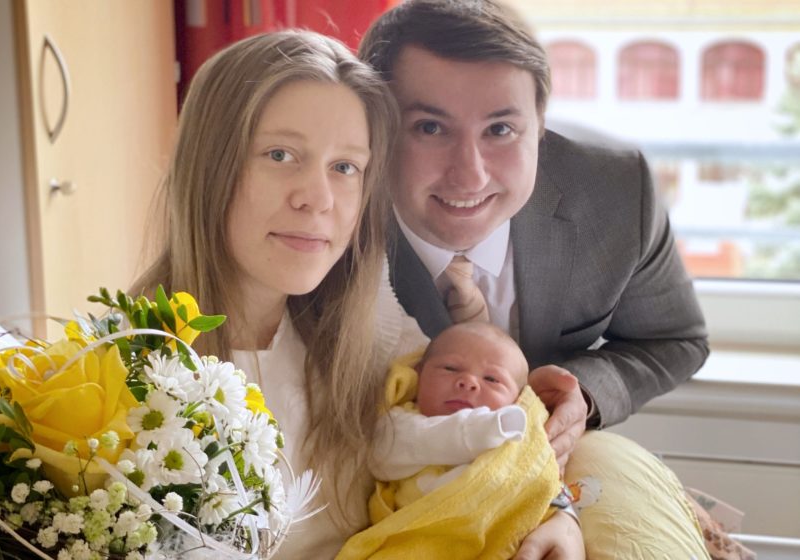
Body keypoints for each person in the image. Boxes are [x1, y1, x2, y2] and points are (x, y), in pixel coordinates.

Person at [132, 29, 582, 559]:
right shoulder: (127, 371)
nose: (318, 199)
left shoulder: (373, 325)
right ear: (210, 166)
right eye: (280, 154)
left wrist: (560, 511)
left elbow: (481, 425)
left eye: (345, 167)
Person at [358, 0, 711, 557]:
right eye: (429, 127)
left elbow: (676, 339)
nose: (469, 173)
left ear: (540, 125)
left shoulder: (618, 195)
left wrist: (582, 397)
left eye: (501, 128)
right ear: (375, 129)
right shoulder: (327, 214)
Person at [337, 321, 581, 559]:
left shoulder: (520, 438)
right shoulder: (401, 423)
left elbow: (541, 482)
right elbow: (381, 458)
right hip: (419, 539)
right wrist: (479, 431)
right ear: (419, 374)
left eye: (492, 379)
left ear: (518, 400)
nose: (468, 382)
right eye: (450, 368)